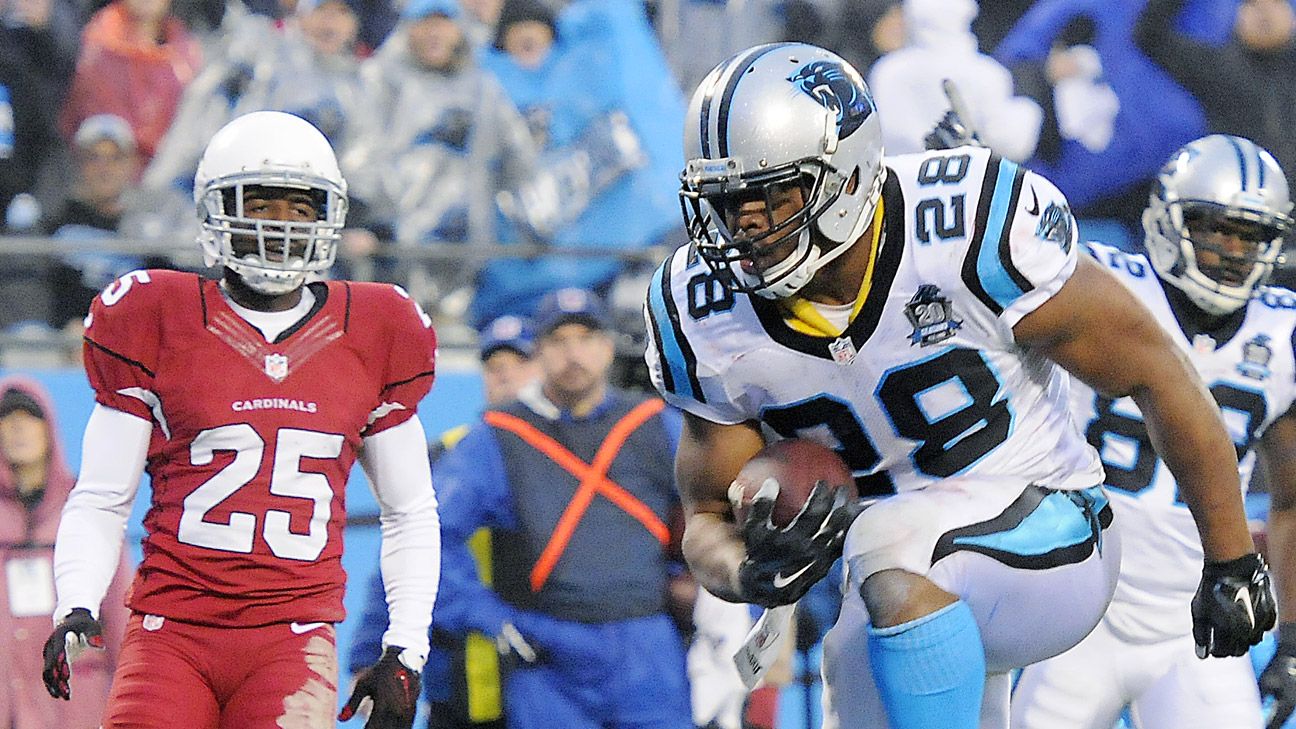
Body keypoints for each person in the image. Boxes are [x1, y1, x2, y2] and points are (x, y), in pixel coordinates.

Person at [644, 42, 1274, 728]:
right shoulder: (698, 310)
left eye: (771, 197)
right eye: (727, 203)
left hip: (1052, 533)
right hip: (891, 581)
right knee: (856, 663)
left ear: (846, 175)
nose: (746, 229)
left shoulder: (966, 226)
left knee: (891, 541)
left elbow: (1158, 373)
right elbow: (705, 515)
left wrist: (1231, 557)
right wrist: (747, 572)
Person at [38, 110, 441, 729]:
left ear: (328, 218)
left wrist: (405, 645)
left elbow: (410, 511)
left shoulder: (376, 330)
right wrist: (76, 603)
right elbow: (99, 498)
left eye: (299, 207)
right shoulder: (157, 316)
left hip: (293, 639)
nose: (279, 224)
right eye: (260, 203)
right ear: (216, 212)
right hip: (171, 631)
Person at [1008, 134, 1296, 728]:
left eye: (1251, 236)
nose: (1232, 250)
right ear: (1166, 219)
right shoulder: (1103, 283)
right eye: (1214, 228)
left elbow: (1292, 505)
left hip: (1197, 617)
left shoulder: (1283, 334)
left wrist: (1291, 639)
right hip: (1079, 607)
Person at [432, 287, 691, 729]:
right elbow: (432, 533)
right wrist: (489, 618)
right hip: (548, 648)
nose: (574, 353)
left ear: (608, 347)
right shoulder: (500, 434)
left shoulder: (654, 424)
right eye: (558, 340)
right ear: (539, 354)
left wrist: (708, 598)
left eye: (586, 337)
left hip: (647, 642)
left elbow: (716, 508)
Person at [349, 314, 539, 729]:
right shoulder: (447, 452)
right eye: (494, 366)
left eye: (520, 363)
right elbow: (400, 557)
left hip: (543, 661)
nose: (506, 376)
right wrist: (368, 652)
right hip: (461, 668)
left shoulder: (572, 452)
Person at [0, 378, 132, 729]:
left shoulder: (83, 509)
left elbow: (119, 611)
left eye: (29, 418)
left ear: (50, 429)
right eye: (7, 420)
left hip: (79, 702)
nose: (18, 429)